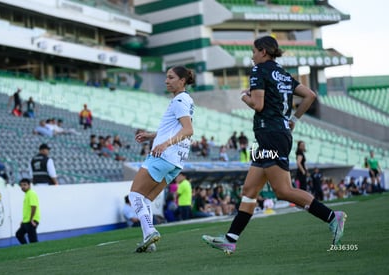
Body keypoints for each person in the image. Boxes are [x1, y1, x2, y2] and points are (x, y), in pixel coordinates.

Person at [202, 36, 347, 255]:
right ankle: (230, 239)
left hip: (270, 135)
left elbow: (258, 105)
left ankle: (331, 216)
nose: (252, 55)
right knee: (249, 189)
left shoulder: (259, 71)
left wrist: (244, 97)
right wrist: (294, 120)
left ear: (262, 51)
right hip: (273, 135)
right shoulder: (281, 73)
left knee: (283, 190)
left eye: (253, 51)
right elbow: (310, 95)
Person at [128, 65, 195, 253]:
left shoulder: (179, 100)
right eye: (166, 77)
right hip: (176, 161)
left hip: (164, 155)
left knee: (134, 195)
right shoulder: (186, 100)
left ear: (182, 81)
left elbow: (188, 130)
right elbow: (176, 129)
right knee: (146, 199)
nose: (166, 81)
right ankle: (150, 241)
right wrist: (152, 136)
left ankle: (150, 230)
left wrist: (164, 144)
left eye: (171, 77)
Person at [15, 178, 40, 244]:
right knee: (19, 234)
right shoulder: (27, 194)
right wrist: (23, 220)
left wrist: (31, 219)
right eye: (21, 185)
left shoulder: (31, 193)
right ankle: (26, 248)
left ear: (29, 185)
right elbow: (27, 209)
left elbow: (34, 207)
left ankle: (37, 252)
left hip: (31, 220)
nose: (22, 187)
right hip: (26, 220)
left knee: (33, 240)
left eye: (25, 185)